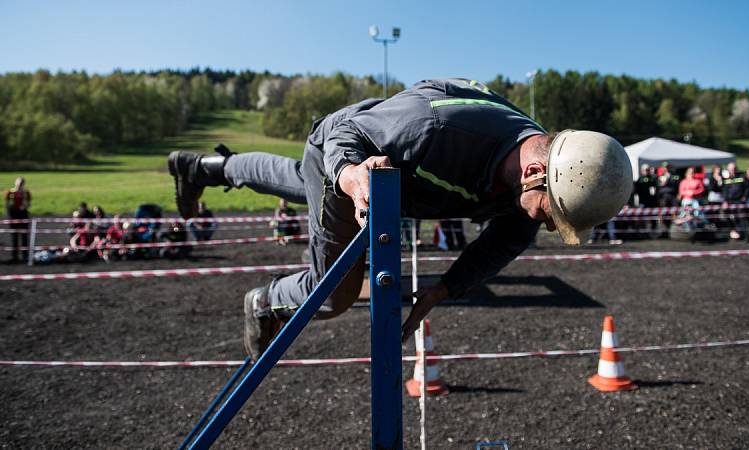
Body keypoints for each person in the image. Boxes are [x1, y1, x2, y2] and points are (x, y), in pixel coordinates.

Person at [167, 78, 633, 360]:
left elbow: (502, 242)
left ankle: (203, 168)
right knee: (336, 293)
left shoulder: (540, 178)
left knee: (291, 177)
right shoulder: (437, 130)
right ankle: (264, 300)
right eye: (556, 215)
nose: (551, 227)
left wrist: (445, 289)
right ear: (535, 173)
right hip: (353, 153)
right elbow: (348, 135)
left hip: (392, 175)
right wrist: (349, 175)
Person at [5, 177, 32, 262]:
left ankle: (25, 255)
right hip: (14, 215)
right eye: (18, 183)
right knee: (14, 236)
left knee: (24, 235)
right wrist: (11, 212)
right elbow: (7, 204)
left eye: (21, 183)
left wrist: (24, 206)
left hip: (23, 214)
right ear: (15, 182)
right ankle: (15, 256)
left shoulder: (26, 193)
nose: (19, 185)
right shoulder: (10, 192)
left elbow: (28, 204)